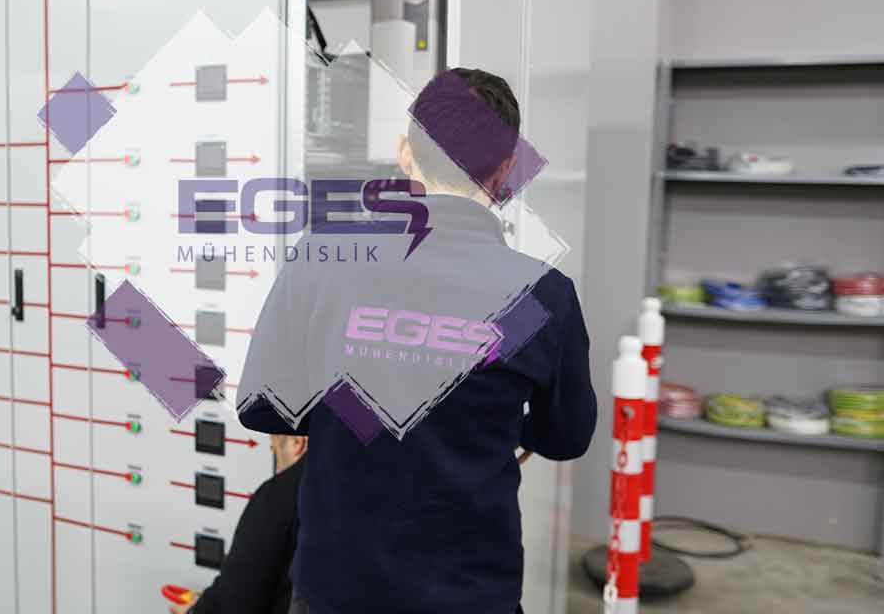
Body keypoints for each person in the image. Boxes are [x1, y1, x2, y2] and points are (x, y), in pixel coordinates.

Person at [237, 68, 595, 614]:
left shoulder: (324, 258)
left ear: (405, 155)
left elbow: (261, 407)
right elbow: (566, 435)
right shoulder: (543, 296)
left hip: (337, 590)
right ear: (506, 170)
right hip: (471, 595)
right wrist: (489, 426)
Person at [169, 434, 308, 614]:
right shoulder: (337, 486)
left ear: (296, 442)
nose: (277, 467)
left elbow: (233, 605)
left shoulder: (278, 495)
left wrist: (194, 610)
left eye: (274, 451)